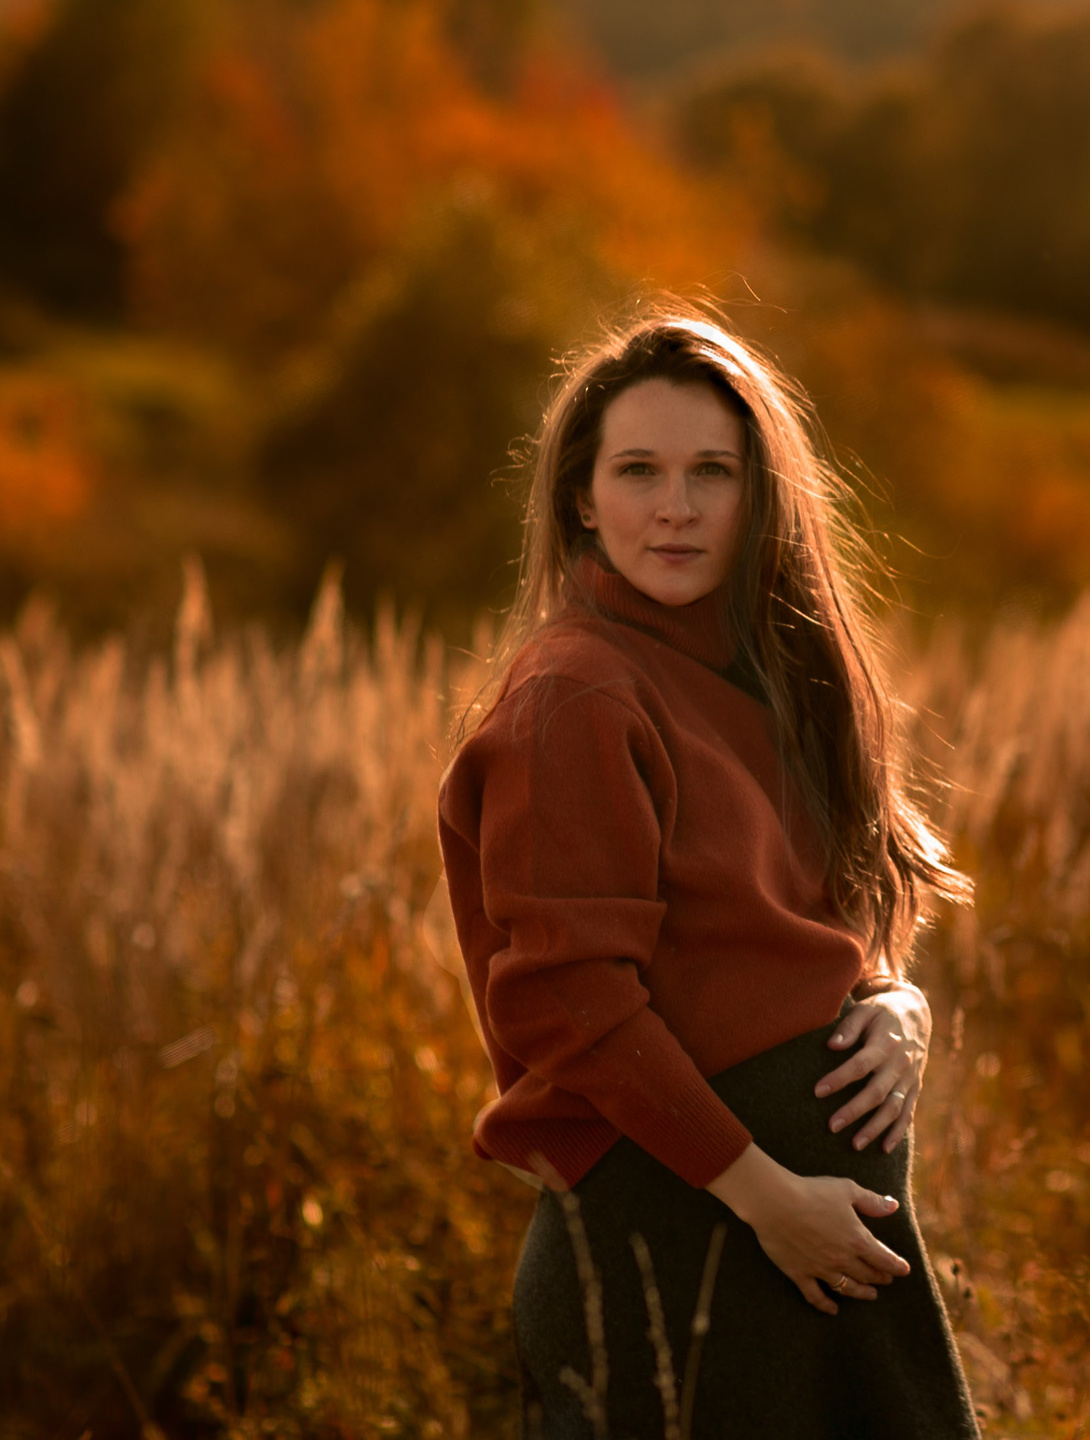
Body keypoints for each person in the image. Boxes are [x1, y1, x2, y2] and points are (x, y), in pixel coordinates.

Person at [436, 303, 981, 1438]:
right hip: (682, 1253)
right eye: (638, 470)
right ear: (582, 496)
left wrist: (895, 1000)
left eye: (712, 473)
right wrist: (769, 1200)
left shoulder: (766, 676)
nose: (675, 507)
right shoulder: (579, 695)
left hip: (803, 1260)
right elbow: (568, 1001)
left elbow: (802, 918)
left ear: (760, 496)